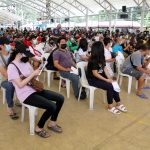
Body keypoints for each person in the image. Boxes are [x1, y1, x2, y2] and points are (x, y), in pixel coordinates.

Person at [7, 43, 64, 138]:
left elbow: (32, 78)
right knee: (52, 106)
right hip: (25, 94)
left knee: (60, 98)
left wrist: (38, 71)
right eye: (26, 54)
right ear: (19, 53)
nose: (28, 57)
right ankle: (38, 128)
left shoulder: (25, 62)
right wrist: (33, 74)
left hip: (34, 89)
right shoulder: (12, 67)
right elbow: (20, 85)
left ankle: (52, 123)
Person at [86, 41, 127, 115]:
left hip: (100, 76)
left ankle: (118, 103)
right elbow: (95, 73)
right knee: (109, 86)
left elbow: (104, 69)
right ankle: (110, 106)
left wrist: (110, 78)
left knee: (113, 83)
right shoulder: (93, 60)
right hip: (93, 79)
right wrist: (106, 80)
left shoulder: (101, 57)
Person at [0, 37, 18, 120]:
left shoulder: (13, 54)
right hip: (3, 79)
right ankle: (9, 106)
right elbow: (5, 74)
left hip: (14, 76)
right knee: (10, 85)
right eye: (7, 44)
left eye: (10, 44)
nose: (9, 45)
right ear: (1, 46)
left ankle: (22, 100)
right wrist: (17, 79)